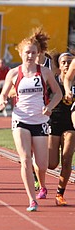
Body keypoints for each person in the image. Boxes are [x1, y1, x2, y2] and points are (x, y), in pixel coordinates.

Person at [0, 32, 62, 211]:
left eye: (33, 52)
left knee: (42, 165)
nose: (30, 56)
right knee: (25, 159)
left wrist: (49, 107)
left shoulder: (45, 72)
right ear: (21, 53)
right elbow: (3, 95)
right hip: (20, 119)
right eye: (27, 52)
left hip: (40, 121)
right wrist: (2, 102)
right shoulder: (13, 73)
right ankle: (32, 199)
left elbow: (58, 93)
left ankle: (42, 185)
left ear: (38, 53)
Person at [48, 52, 75, 206]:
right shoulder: (53, 81)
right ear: (59, 65)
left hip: (71, 125)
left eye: (70, 62)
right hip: (54, 122)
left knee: (67, 158)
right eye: (64, 62)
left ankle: (60, 193)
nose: (67, 65)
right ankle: (36, 167)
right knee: (51, 164)